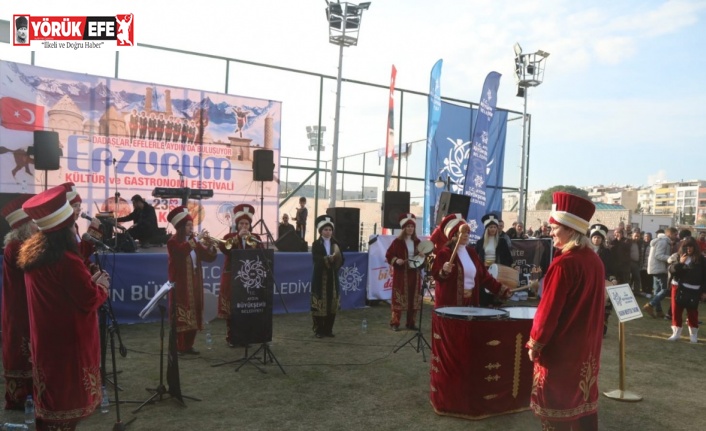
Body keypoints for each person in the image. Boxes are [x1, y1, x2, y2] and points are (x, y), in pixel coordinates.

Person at [18, 185, 110, 431]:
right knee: (66, 405)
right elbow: (88, 299)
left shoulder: (35, 254)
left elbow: (61, 292)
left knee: (50, 401)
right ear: (65, 229)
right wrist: (100, 286)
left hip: (46, 337)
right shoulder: (67, 260)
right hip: (68, 341)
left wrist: (88, 284)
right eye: (73, 224)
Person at [526, 192, 605, 431]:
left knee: (557, 411)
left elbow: (548, 311)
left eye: (555, 228)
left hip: (562, 350)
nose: (550, 232)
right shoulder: (593, 260)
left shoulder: (564, 263)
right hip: (587, 347)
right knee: (581, 405)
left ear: (570, 230)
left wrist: (535, 343)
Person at [431, 213, 511, 308]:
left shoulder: (471, 253)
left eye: (467, 232)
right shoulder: (444, 253)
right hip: (450, 303)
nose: (466, 235)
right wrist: (443, 271)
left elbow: (484, 276)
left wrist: (502, 290)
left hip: (471, 302)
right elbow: (436, 274)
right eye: (462, 233)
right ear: (453, 236)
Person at [166, 206, 217, 354]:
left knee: (195, 311)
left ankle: (188, 345)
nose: (191, 227)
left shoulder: (192, 242)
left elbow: (208, 257)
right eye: (188, 225)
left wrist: (211, 247)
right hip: (180, 284)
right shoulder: (173, 242)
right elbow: (181, 252)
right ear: (181, 227)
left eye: (191, 225)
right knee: (183, 312)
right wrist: (196, 240)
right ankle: (180, 345)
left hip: (194, 282)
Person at [1, 194, 36, 410]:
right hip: (19, 307)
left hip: (24, 304)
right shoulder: (15, 247)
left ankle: (32, 393)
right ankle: (19, 397)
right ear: (24, 226)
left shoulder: (20, 245)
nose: (37, 227)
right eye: (33, 223)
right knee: (19, 349)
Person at [217, 203, 262, 347]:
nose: (244, 226)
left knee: (246, 309)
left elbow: (261, 253)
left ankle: (245, 337)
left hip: (249, 279)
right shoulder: (228, 236)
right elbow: (224, 248)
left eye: (247, 224)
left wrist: (253, 241)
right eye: (241, 223)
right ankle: (232, 338)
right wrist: (237, 238)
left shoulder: (255, 237)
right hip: (232, 278)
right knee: (232, 310)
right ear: (237, 224)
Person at [385, 213, 422, 331]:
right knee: (399, 297)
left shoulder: (417, 242)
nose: (410, 229)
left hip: (414, 274)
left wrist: (422, 256)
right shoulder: (397, 242)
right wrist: (396, 260)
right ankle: (395, 323)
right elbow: (389, 255)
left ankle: (411, 323)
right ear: (403, 228)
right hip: (401, 274)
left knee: (413, 298)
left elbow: (422, 260)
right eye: (408, 227)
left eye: (412, 227)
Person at [666, 237, 706, 342]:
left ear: (695, 247)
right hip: (679, 288)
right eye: (686, 246)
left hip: (694, 290)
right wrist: (681, 263)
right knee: (676, 311)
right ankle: (676, 333)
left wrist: (704, 291)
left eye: (691, 246)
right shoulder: (679, 256)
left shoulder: (701, 259)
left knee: (692, 312)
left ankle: (693, 335)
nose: (688, 249)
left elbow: (704, 276)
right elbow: (672, 270)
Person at [311, 215, 344, 338]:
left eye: (330, 230)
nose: (328, 232)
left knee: (332, 303)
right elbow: (315, 259)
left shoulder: (336, 243)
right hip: (320, 277)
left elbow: (342, 259)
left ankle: (328, 329)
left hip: (333, 277)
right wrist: (326, 259)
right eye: (325, 229)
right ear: (320, 231)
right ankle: (319, 330)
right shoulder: (316, 244)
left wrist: (336, 259)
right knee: (319, 302)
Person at [475, 213, 512, 307]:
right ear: (487, 228)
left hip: (498, 271)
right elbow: (475, 257)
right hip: (485, 271)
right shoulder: (480, 242)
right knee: (484, 296)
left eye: (495, 227)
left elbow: (508, 258)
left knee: (496, 296)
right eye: (491, 227)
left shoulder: (502, 241)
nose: (493, 229)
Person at [643, 227, 678, 318]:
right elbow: (658, 255)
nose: (676, 236)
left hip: (655, 268)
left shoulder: (662, 241)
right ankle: (650, 305)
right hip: (659, 268)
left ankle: (659, 311)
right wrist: (670, 258)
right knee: (664, 290)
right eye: (675, 234)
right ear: (669, 234)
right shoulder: (663, 241)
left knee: (657, 290)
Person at [589, 223, 617, 336]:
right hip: (589, 280)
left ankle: (602, 329)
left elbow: (611, 267)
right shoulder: (586, 250)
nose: (596, 239)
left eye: (599, 237)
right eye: (594, 237)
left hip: (603, 280)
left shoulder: (607, 252)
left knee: (603, 304)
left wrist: (612, 278)